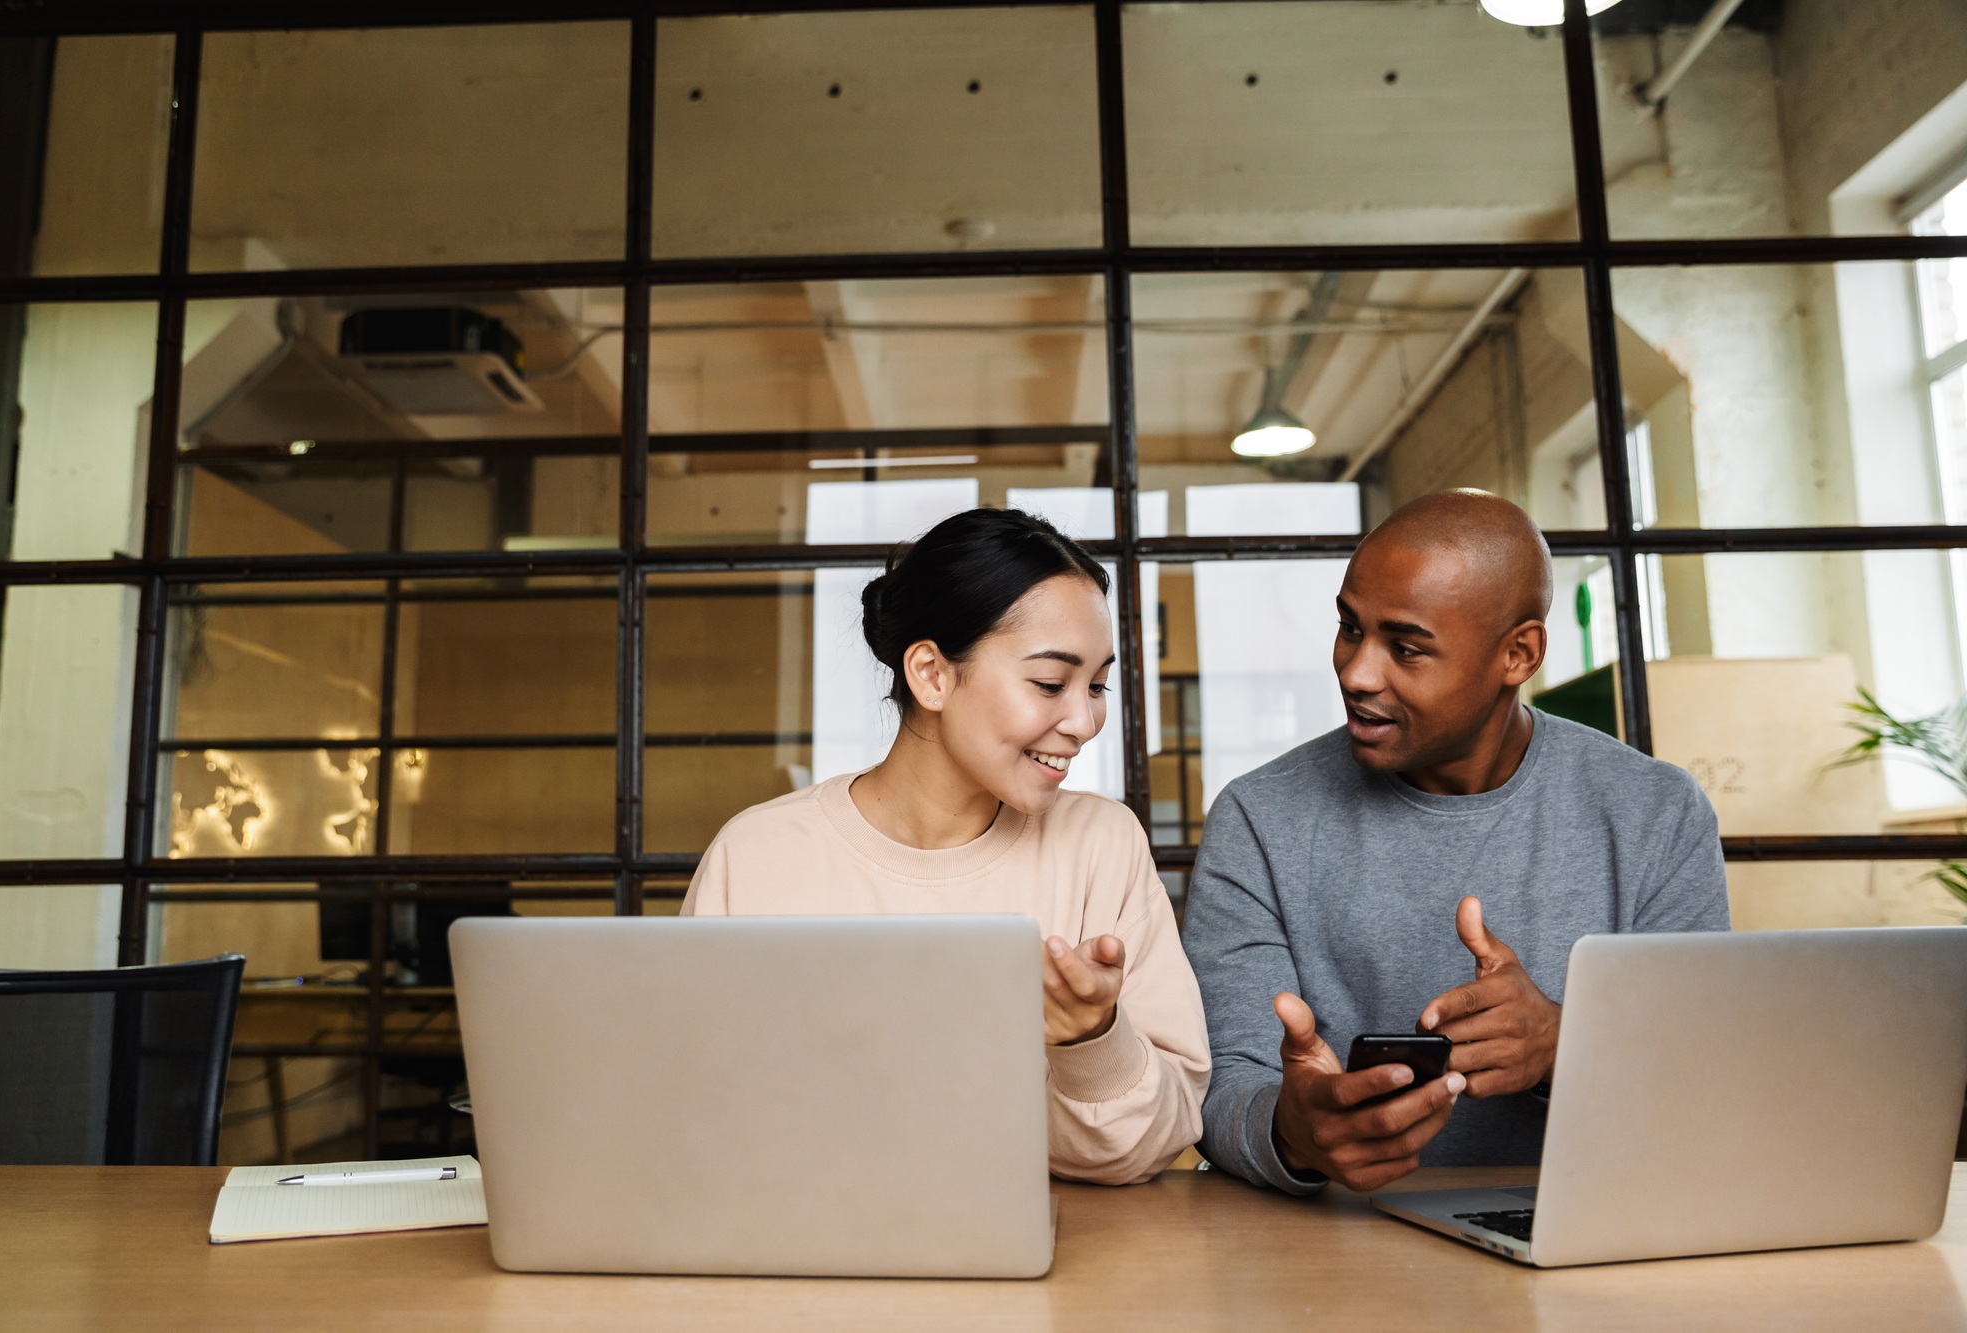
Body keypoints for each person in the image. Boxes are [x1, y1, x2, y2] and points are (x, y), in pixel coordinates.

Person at [1183, 489, 1728, 1196]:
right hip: (1332, 1258)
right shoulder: (1260, 818)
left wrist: (1567, 1042)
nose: (1356, 672)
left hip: (1587, 1231)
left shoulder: (1654, 812)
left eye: (1405, 648)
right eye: (1350, 628)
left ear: (1518, 653)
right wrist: (1294, 1130)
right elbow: (1220, 1086)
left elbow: (1702, 1080)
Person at [684, 507, 1209, 1185]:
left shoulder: (1101, 844)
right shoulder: (756, 856)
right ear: (931, 673)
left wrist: (1090, 1036)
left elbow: (1153, 1147)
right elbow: (697, 1118)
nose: (1083, 721)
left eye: (1098, 684)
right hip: (804, 1258)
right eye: (1051, 682)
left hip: (1058, 1268)